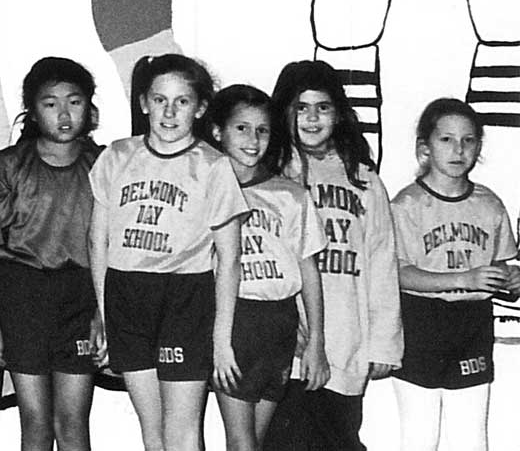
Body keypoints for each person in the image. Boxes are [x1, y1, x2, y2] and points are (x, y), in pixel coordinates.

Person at [88, 54, 247, 451]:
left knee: (182, 432)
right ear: (144, 103)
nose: (170, 112)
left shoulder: (213, 166)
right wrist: (105, 313)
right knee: (152, 431)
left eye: (182, 101)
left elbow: (229, 260)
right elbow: (97, 241)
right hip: (127, 295)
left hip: (185, 298)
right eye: (160, 100)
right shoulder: (117, 156)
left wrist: (221, 340)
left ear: (200, 107)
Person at [261, 60, 401, 451]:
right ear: (283, 112)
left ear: (338, 114)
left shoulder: (363, 180)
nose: (311, 117)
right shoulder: (268, 172)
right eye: (300, 107)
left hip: (345, 339)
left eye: (322, 107)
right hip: (283, 340)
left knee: (338, 440)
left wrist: (384, 344)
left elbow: (381, 262)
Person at [0, 57, 102, 451]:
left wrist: (103, 312)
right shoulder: (8, 165)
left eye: (74, 102)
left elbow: (110, 249)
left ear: (90, 108)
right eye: (51, 104)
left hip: (81, 298)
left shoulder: (104, 165)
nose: (64, 114)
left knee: (74, 424)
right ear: (32, 110)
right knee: (34, 422)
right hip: (23, 297)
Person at [199, 85, 328, 451]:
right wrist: (218, 341)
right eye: (242, 128)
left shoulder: (290, 194)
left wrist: (316, 340)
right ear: (217, 131)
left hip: (279, 323)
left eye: (263, 130)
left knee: (254, 441)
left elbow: (309, 272)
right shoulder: (205, 188)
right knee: (241, 443)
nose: (253, 140)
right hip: (234, 318)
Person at [389, 99, 514, 451]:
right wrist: (463, 279)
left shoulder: (489, 203)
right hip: (421, 322)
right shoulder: (406, 204)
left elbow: (500, 265)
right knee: (419, 438)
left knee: (471, 439)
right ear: (424, 148)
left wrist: (510, 280)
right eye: (446, 140)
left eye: (468, 140)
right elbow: (399, 274)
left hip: (472, 323)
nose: (458, 150)